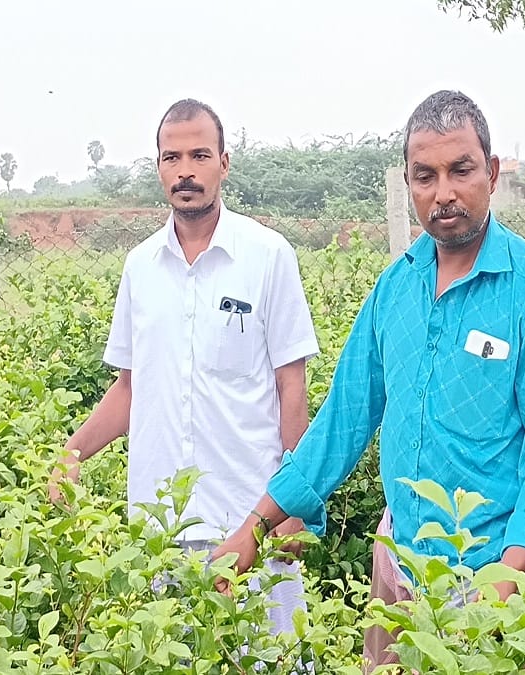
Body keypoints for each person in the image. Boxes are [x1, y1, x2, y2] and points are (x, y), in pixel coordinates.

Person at [209, 90, 525, 670]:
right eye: (425, 176)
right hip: (399, 558)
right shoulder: (396, 287)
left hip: (490, 574)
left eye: (460, 170)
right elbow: (343, 419)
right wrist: (254, 529)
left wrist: (508, 577)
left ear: (492, 170)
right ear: (409, 183)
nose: (444, 193)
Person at [48, 98, 320, 636]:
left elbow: (292, 386)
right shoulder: (140, 268)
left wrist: (291, 505)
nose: (186, 171)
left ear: (224, 162)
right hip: (161, 526)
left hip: (251, 518)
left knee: (269, 662)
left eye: (199, 155)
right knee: (166, 654)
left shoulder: (267, 256)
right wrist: (71, 453)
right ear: (158, 169)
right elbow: (130, 386)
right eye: (172, 158)